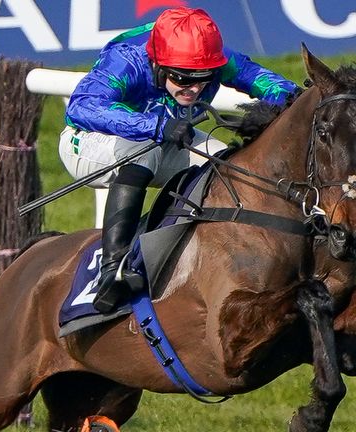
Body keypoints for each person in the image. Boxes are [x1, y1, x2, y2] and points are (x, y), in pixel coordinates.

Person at [59, 7, 299, 313]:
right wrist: (156, 125)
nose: (195, 89)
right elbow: (82, 107)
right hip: (87, 143)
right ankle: (113, 269)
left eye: (204, 79)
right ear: (158, 65)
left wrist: (296, 99)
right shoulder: (127, 60)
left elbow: (266, 82)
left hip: (163, 139)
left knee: (226, 165)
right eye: (183, 79)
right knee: (143, 149)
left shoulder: (214, 56)